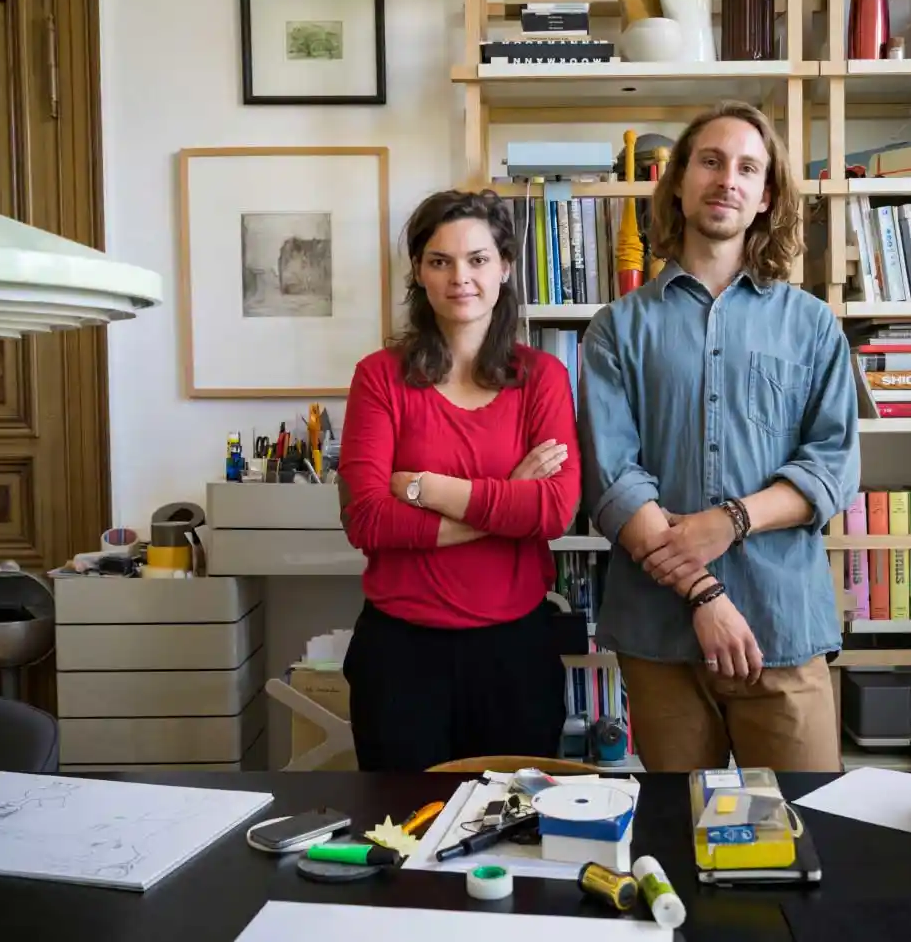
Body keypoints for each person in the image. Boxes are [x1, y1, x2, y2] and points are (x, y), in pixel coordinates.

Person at [577, 100, 860, 773]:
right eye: (710, 160)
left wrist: (729, 522)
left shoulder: (813, 325)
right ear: (678, 181)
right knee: (680, 843)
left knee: (810, 835)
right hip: (661, 640)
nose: (726, 178)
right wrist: (704, 593)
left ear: (765, 196)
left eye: (747, 167)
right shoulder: (617, 328)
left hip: (783, 628)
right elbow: (613, 481)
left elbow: (832, 469)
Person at [336, 188, 581, 772]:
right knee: (403, 838)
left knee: (513, 835)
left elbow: (553, 512)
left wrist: (423, 487)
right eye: (440, 261)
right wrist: (505, 501)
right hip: (400, 653)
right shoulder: (379, 377)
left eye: (477, 259)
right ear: (419, 272)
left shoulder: (542, 378)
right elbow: (366, 519)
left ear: (506, 268)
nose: (460, 277)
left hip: (514, 653)